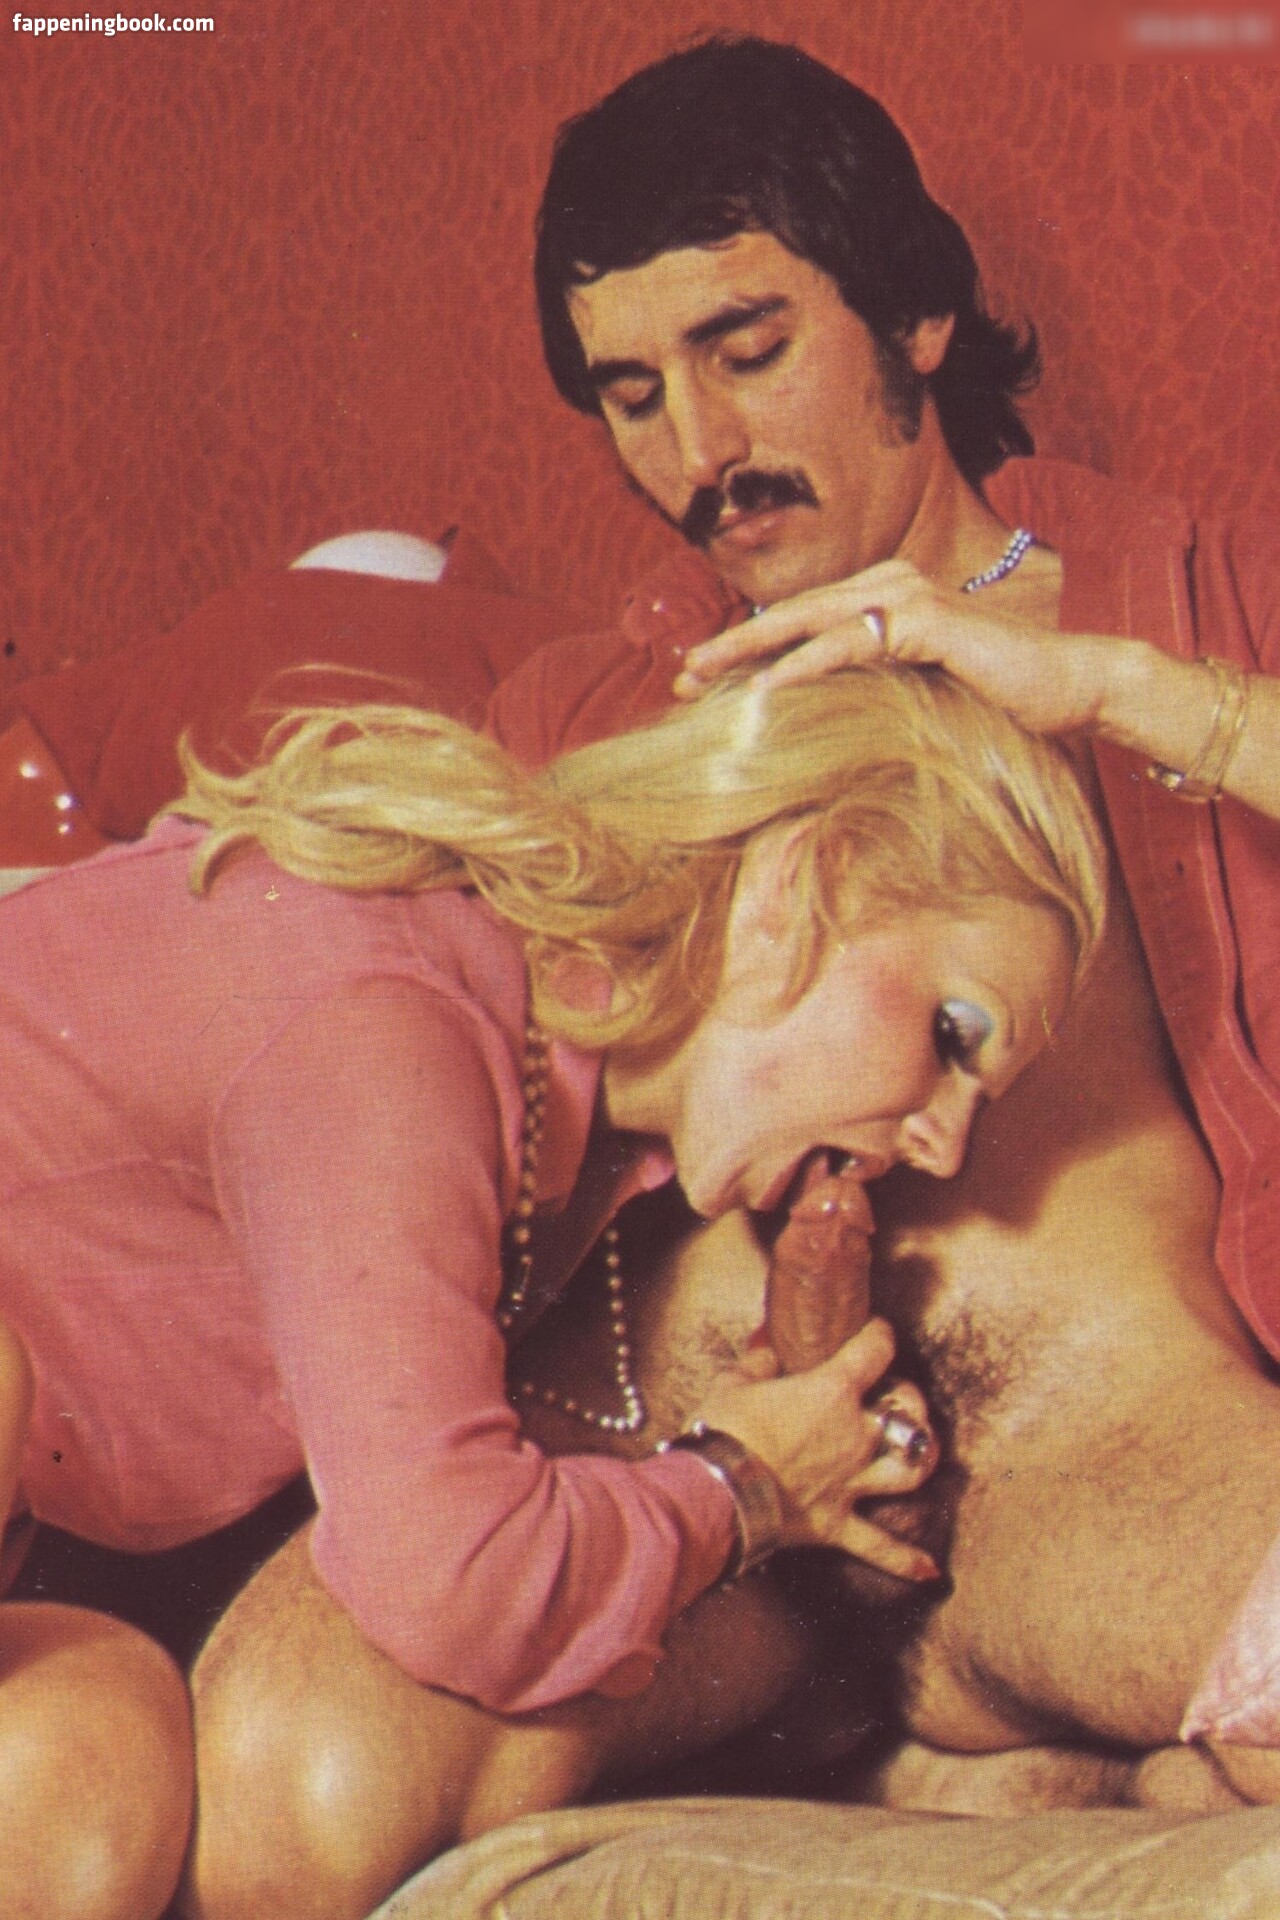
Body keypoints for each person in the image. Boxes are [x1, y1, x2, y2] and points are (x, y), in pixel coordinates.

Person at [476, 32, 1280, 1816]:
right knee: (288, 1786)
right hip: (705, 1534)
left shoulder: (1188, 620)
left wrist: (1117, 689)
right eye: (631, 395)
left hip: (1086, 1489)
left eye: (748, 350)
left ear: (916, 315)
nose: (701, 450)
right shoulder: (584, 721)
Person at [0, 664, 1102, 1918]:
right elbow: (450, 1581)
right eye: (952, 1035)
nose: (946, 1148)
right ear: (806, 885)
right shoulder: (391, 1028)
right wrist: (741, 1487)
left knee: (92, 1759)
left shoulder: (569, 1099)